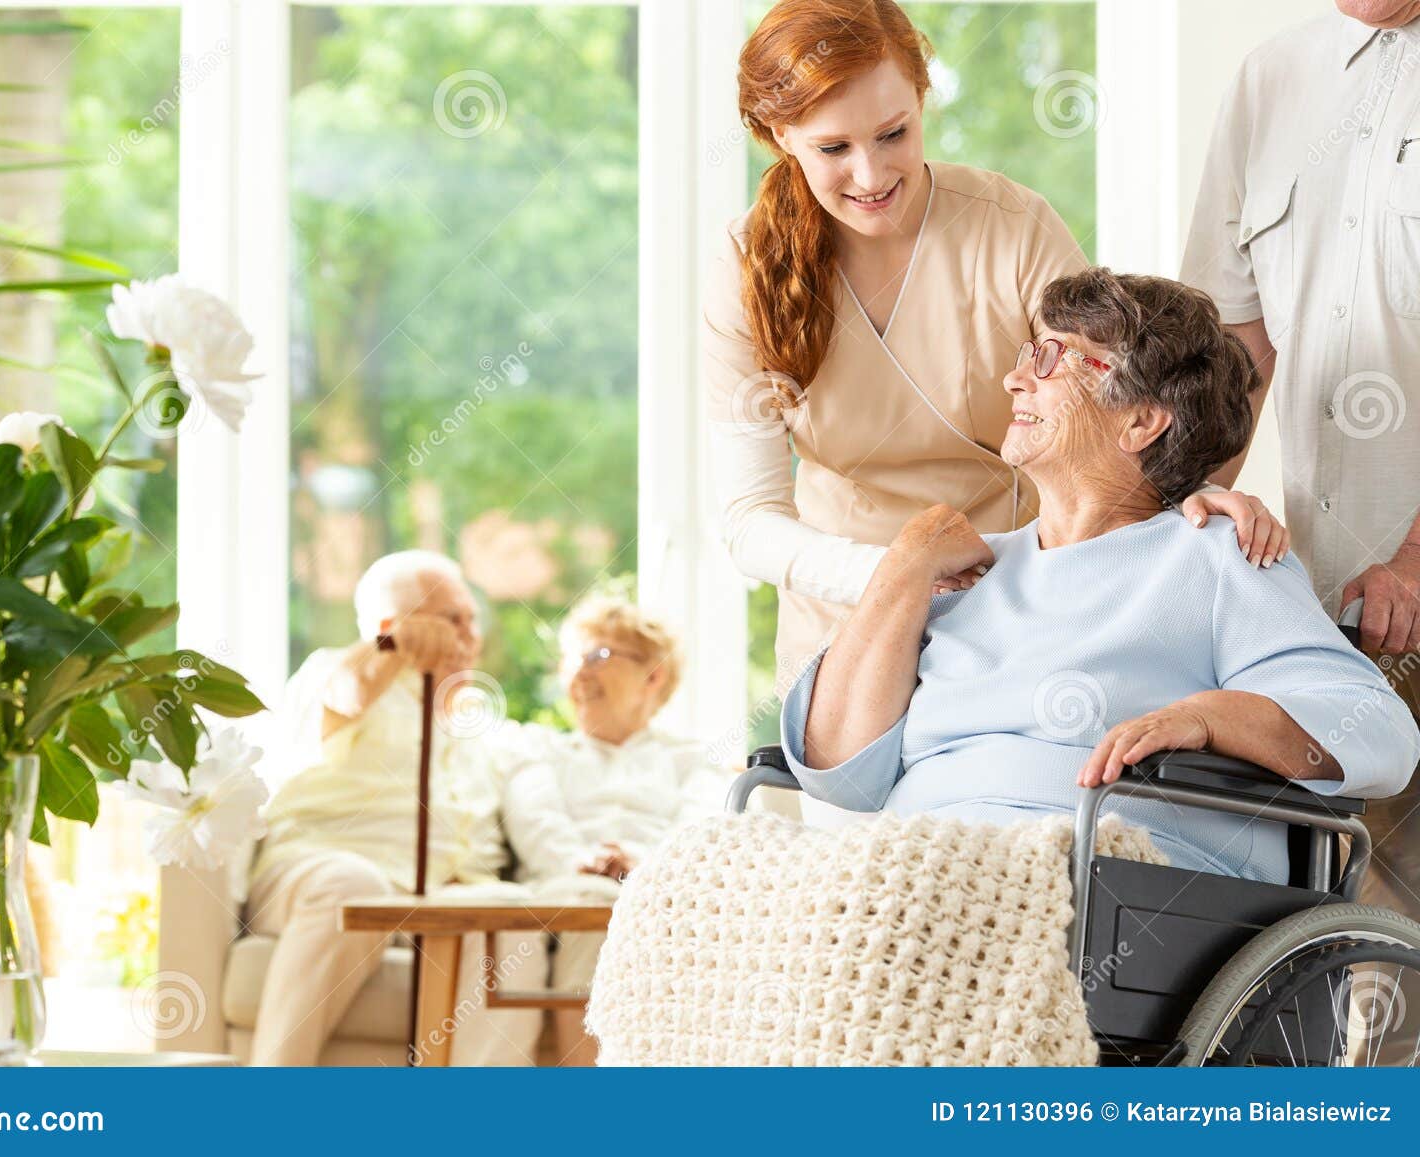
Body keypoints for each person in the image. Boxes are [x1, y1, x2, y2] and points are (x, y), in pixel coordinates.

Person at [707, 0, 1287, 733]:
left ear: (921, 99)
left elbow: (1107, 401)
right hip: (846, 618)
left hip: (1018, 606)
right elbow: (750, 519)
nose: (872, 172)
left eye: (894, 133)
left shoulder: (1010, 228)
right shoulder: (743, 267)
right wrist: (897, 575)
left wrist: (1190, 498)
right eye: (832, 150)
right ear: (779, 134)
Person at [781, 269, 1420, 884]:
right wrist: (907, 560)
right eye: (1027, 354)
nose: (1012, 380)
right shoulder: (960, 571)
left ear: (1141, 421)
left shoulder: (1214, 554)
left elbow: (1379, 736)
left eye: (1051, 359)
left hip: (1098, 886)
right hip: (915, 873)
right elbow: (836, 766)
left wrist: (1209, 717)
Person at [1181, 0, 1420, 918]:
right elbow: (1229, 349)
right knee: (1351, 951)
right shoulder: (1270, 79)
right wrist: (1190, 514)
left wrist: (1413, 558)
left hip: (1402, 582)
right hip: (1331, 618)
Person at [245, 550, 543, 1066]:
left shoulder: (484, 723)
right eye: (451, 619)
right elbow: (347, 692)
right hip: (325, 873)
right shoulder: (335, 672)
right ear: (388, 624)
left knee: (509, 913)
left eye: (473, 620)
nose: (469, 636)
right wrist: (393, 645)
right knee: (354, 886)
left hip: (442, 898)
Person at [503, 596, 729, 1064]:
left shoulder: (693, 758)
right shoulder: (540, 749)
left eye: (598, 656)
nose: (578, 673)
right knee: (597, 903)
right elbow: (536, 821)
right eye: (571, 659)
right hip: (565, 900)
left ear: (653, 675)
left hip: (661, 899)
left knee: (629, 906)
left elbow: (700, 829)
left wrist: (642, 868)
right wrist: (583, 864)